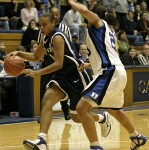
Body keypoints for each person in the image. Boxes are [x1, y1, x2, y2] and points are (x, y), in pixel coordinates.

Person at [8, 13, 110, 150]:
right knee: (47, 100)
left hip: (76, 75)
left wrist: (37, 72)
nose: (41, 28)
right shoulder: (45, 38)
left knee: (77, 117)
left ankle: (102, 117)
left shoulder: (57, 37)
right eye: (40, 25)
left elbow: (58, 63)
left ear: (53, 24)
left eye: (44, 25)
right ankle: (42, 140)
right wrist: (19, 54)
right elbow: (36, 56)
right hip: (61, 77)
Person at [68, 1, 148, 150]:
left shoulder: (98, 23)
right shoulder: (107, 30)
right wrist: (89, 64)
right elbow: (107, 54)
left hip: (109, 72)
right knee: (114, 109)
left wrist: (70, 2)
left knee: (81, 109)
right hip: (117, 71)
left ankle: (95, 146)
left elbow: (83, 9)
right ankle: (136, 136)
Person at [38, 7, 72, 121]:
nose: (56, 16)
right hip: (48, 60)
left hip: (60, 61)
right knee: (43, 88)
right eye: (54, 14)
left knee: (60, 87)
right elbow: (40, 46)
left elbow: (69, 45)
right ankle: (43, 113)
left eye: (57, 14)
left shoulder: (64, 29)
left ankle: (66, 110)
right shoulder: (43, 29)